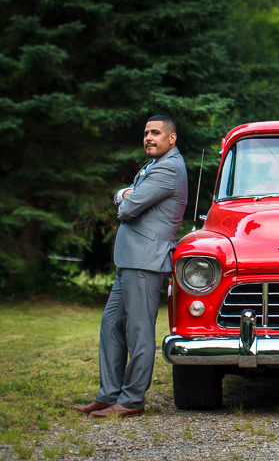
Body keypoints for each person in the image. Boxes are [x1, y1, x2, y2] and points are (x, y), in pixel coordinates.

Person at [74, 115, 188, 418]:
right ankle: (109, 394)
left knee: (138, 332)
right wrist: (124, 194)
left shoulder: (169, 168)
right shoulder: (154, 165)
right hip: (130, 260)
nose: (148, 138)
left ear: (171, 138)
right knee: (111, 325)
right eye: (146, 133)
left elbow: (128, 208)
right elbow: (125, 194)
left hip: (146, 262)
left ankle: (132, 400)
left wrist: (125, 197)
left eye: (155, 133)